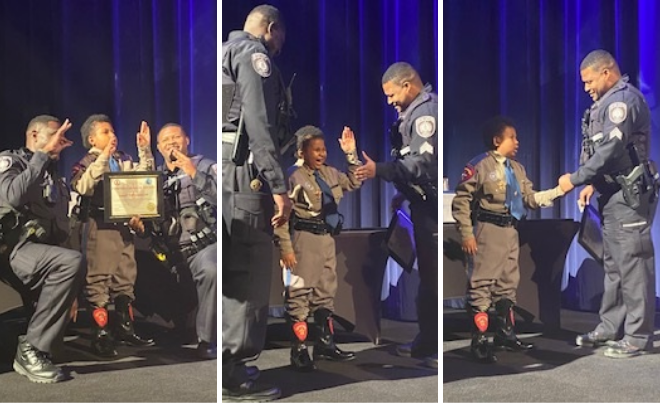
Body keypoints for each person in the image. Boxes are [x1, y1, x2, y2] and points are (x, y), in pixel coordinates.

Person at [558, 49, 657, 359]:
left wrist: (574, 178)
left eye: (589, 81)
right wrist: (589, 183)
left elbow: (612, 151)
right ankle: (609, 326)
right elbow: (599, 151)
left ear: (606, 72)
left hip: (630, 195)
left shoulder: (622, 101)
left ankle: (637, 337)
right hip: (611, 194)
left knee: (634, 264)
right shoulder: (603, 104)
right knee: (614, 265)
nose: (586, 87)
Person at [221, 4, 293, 401]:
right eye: (280, 36)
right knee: (247, 276)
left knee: (234, 273)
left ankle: (229, 365)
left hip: (227, 178)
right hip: (246, 176)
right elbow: (258, 122)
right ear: (271, 28)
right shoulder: (253, 55)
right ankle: (231, 373)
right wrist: (278, 184)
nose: (280, 45)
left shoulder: (221, 50)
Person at [452, 116, 565, 362]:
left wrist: (558, 191)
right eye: (512, 137)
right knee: (481, 284)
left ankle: (505, 334)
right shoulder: (479, 166)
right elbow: (461, 201)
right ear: (497, 140)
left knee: (507, 284)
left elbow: (529, 199)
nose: (517, 142)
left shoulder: (517, 169)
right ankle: (480, 341)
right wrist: (467, 234)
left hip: (511, 231)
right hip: (487, 229)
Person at [355, 62, 438, 368]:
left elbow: (423, 165)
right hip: (418, 203)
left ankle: (435, 346)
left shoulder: (426, 112)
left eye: (391, 94)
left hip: (430, 207)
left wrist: (381, 170)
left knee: (433, 277)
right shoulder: (410, 114)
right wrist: (402, 191)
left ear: (407, 85)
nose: (389, 101)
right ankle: (426, 340)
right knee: (427, 275)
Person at [0, 115, 84, 383]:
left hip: (41, 255)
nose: (60, 145)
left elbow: (61, 235)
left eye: (63, 140)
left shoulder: (55, 180)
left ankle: (35, 346)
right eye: (54, 137)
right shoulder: (12, 162)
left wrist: (71, 287)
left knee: (72, 262)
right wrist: (41, 157)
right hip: (13, 250)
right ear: (34, 136)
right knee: (69, 262)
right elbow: (12, 195)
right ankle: (31, 350)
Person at [274, 125, 361, 371]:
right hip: (303, 238)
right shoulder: (292, 176)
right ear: (302, 151)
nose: (321, 154)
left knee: (326, 292)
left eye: (323, 149)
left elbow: (354, 181)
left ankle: (324, 344)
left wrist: (351, 154)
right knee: (299, 293)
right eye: (316, 150)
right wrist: (285, 248)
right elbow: (281, 216)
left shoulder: (330, 174)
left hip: (326, 239)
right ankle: (299, 350)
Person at [128, 123, 217, 360]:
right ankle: (172, 327)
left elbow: (224, 199)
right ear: (158, 148)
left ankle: (208, 340)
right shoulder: (153, 178)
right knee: (128, 263)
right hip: (170, 254)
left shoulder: (205, 166)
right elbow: (148, 229)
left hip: (204, 247)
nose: (172, 143)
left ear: (187, 140)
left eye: (176, 137)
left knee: (212, 269)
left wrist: (193, 172)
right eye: (165, 140)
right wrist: (140, 228)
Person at [70, 114, 155, 357]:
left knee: (125, 277)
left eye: (113, 131)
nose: (113, 136)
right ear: (92, 139)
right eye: (105, 132)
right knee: (98, 280)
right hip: (100, 225)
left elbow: (143, 181)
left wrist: (144, 150)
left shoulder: (124, 159)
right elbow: (83, 187)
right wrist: (103, 158)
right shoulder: (85, 162)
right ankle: (101, 334)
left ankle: (125, 328)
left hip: (124, 226)